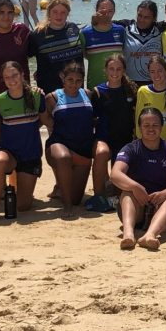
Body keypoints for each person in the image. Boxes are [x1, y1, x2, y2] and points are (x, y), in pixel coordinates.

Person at [110, 108, 166, 250]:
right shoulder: (131, 148)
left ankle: (150, 235)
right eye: (146, 125)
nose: (151, 129)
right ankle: (128, 234)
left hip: (162, 208)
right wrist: (135, 187)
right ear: (140, 128)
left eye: (155, 125)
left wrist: (163, 194)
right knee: (127, 194)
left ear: (161, 127)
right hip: (137, 207)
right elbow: (115, 174)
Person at [0, 61, 48, 222]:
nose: (11, 79)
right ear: (3, 80)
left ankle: (14, 186)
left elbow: (46, 121)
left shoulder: (36, 95)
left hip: (30, 154)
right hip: (9, 153)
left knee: (22, 206)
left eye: (14, 75)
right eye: (7, 77)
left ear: (22, 75)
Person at [45, 62, 106, 216]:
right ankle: (66, 206)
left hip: (82, 149)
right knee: (64, 157)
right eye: (70, 79)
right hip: (59, 145)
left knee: (76, 198)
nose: (74, 84)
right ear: (62, 78)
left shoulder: (88, 94)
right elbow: (43, 118)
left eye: (78, 80)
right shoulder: (52, 97)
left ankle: (62, 189)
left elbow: (95, 119)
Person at [117, 0, 166, 86]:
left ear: (154, 18)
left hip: (155, 82)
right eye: (139, 15)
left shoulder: (160, 28)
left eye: (146, 17)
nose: (141, 20)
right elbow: (105, 23)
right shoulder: (126, 26)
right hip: (130, 83)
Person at [90, 54, 137, 176]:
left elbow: (136, 116)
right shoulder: (98, 92)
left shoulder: (131, 90)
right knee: (101, 153)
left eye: (118, 69)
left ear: (124, 70)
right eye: (111, 68)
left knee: (118, 185)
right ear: (105, 70)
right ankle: (99, 193)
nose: (115, 72)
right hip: (104, 138)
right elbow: (92, 119)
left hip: (124, 140)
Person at [135, 55, 166, 144]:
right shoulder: (142, 91)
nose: (156, 75)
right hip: (150, 146)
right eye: (152, 72)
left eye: (160, 71)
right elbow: (139, 123)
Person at [81, 0, 125, 88]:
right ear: (96, 11)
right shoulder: (85, 33)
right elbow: (84, 56)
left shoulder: (120, 30)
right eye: (103, 11)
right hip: (95, 85)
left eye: (110, 11)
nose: (107, 15)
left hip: (118, 85)